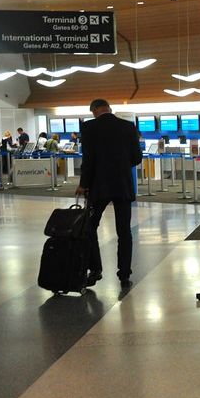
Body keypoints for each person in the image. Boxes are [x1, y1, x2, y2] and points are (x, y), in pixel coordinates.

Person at [76, 99, 142, 286]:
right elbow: (137, 157)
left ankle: (95, 270)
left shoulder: (89, 127)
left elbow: (88, 159)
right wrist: (120, 166)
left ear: (95, 110)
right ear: (109, 109)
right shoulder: (128, 126)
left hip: (99, 186)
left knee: (90, 227)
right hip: (123, 185)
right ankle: (124, 273)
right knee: (124, 231)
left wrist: (83, 183)